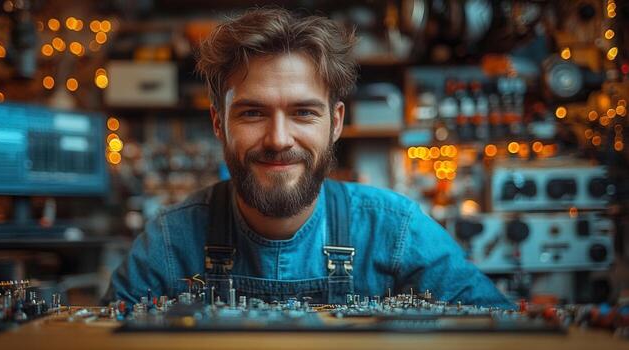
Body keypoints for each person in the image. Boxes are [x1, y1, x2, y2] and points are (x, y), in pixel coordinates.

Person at [107, 7, 513, 309]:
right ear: (219, 123)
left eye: (303, 112)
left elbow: (503, 333)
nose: (279, 139)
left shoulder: (395, 231)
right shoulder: (169, 243)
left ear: (335, 122)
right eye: (252, 112)